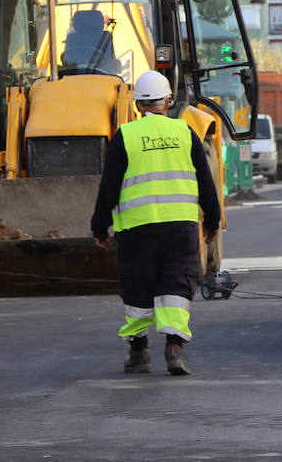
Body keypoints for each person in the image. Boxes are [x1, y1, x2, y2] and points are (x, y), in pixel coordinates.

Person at [91, 70, 222, 377]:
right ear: (168, 101)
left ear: (137, 105)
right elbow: (206, 181)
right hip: (181, 226)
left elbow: (109, 187)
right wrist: (213, 221)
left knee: (138, 285)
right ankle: (175, 346)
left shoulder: (126, 135)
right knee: (176, 283)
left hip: (137, 229)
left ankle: (139, 351)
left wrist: (99, 226)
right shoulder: (185, 132)